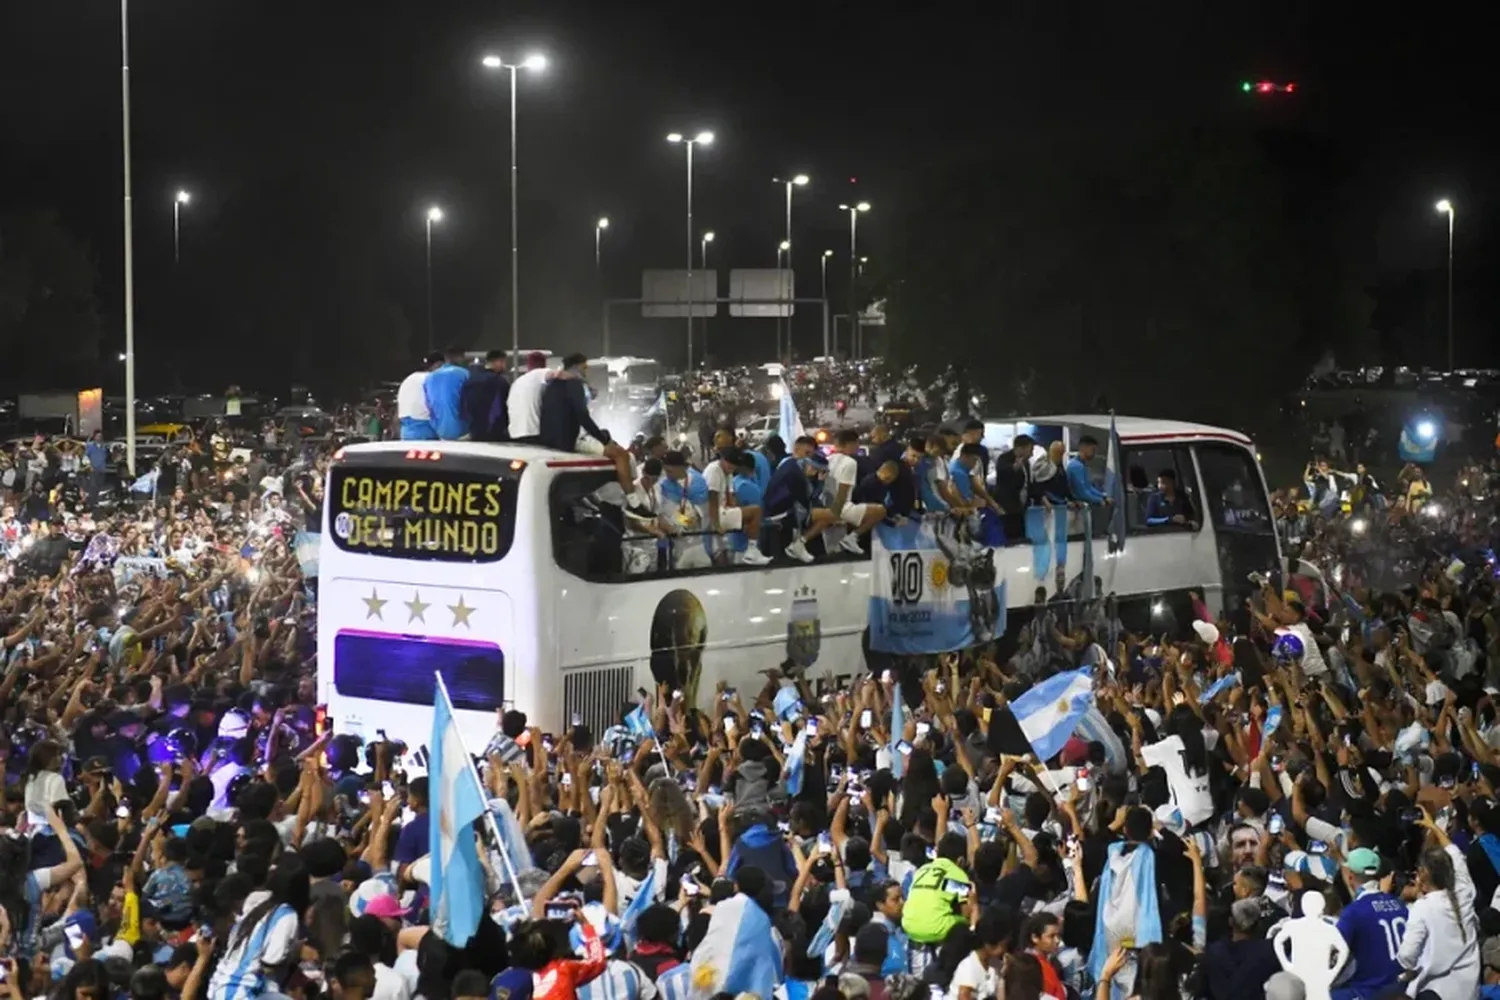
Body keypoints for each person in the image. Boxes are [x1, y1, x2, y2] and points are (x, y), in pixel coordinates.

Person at [461, 349, 511, 442]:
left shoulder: (471, 379)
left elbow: (464, 405)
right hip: (494, 431)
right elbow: (503, 407)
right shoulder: (499, 382)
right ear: (498, 361)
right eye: (504, 362)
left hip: (474, 430)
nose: (505, 366)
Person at [425, 346, 471, 440]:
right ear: (461, 357)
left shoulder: (429, 378)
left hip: (440, 431)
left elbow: (428, 405)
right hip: (462, 431)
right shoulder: (464, 374)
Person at [508, 351, 554, 442]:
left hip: (514, 433)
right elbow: (556, 374)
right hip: (532, 432)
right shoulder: (540, 372)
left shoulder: (517, 382)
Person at [397, 352, 443, 440]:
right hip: (426, 429)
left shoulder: (408, 379)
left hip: (406, 431)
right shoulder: (433, 378)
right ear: (438, 365)